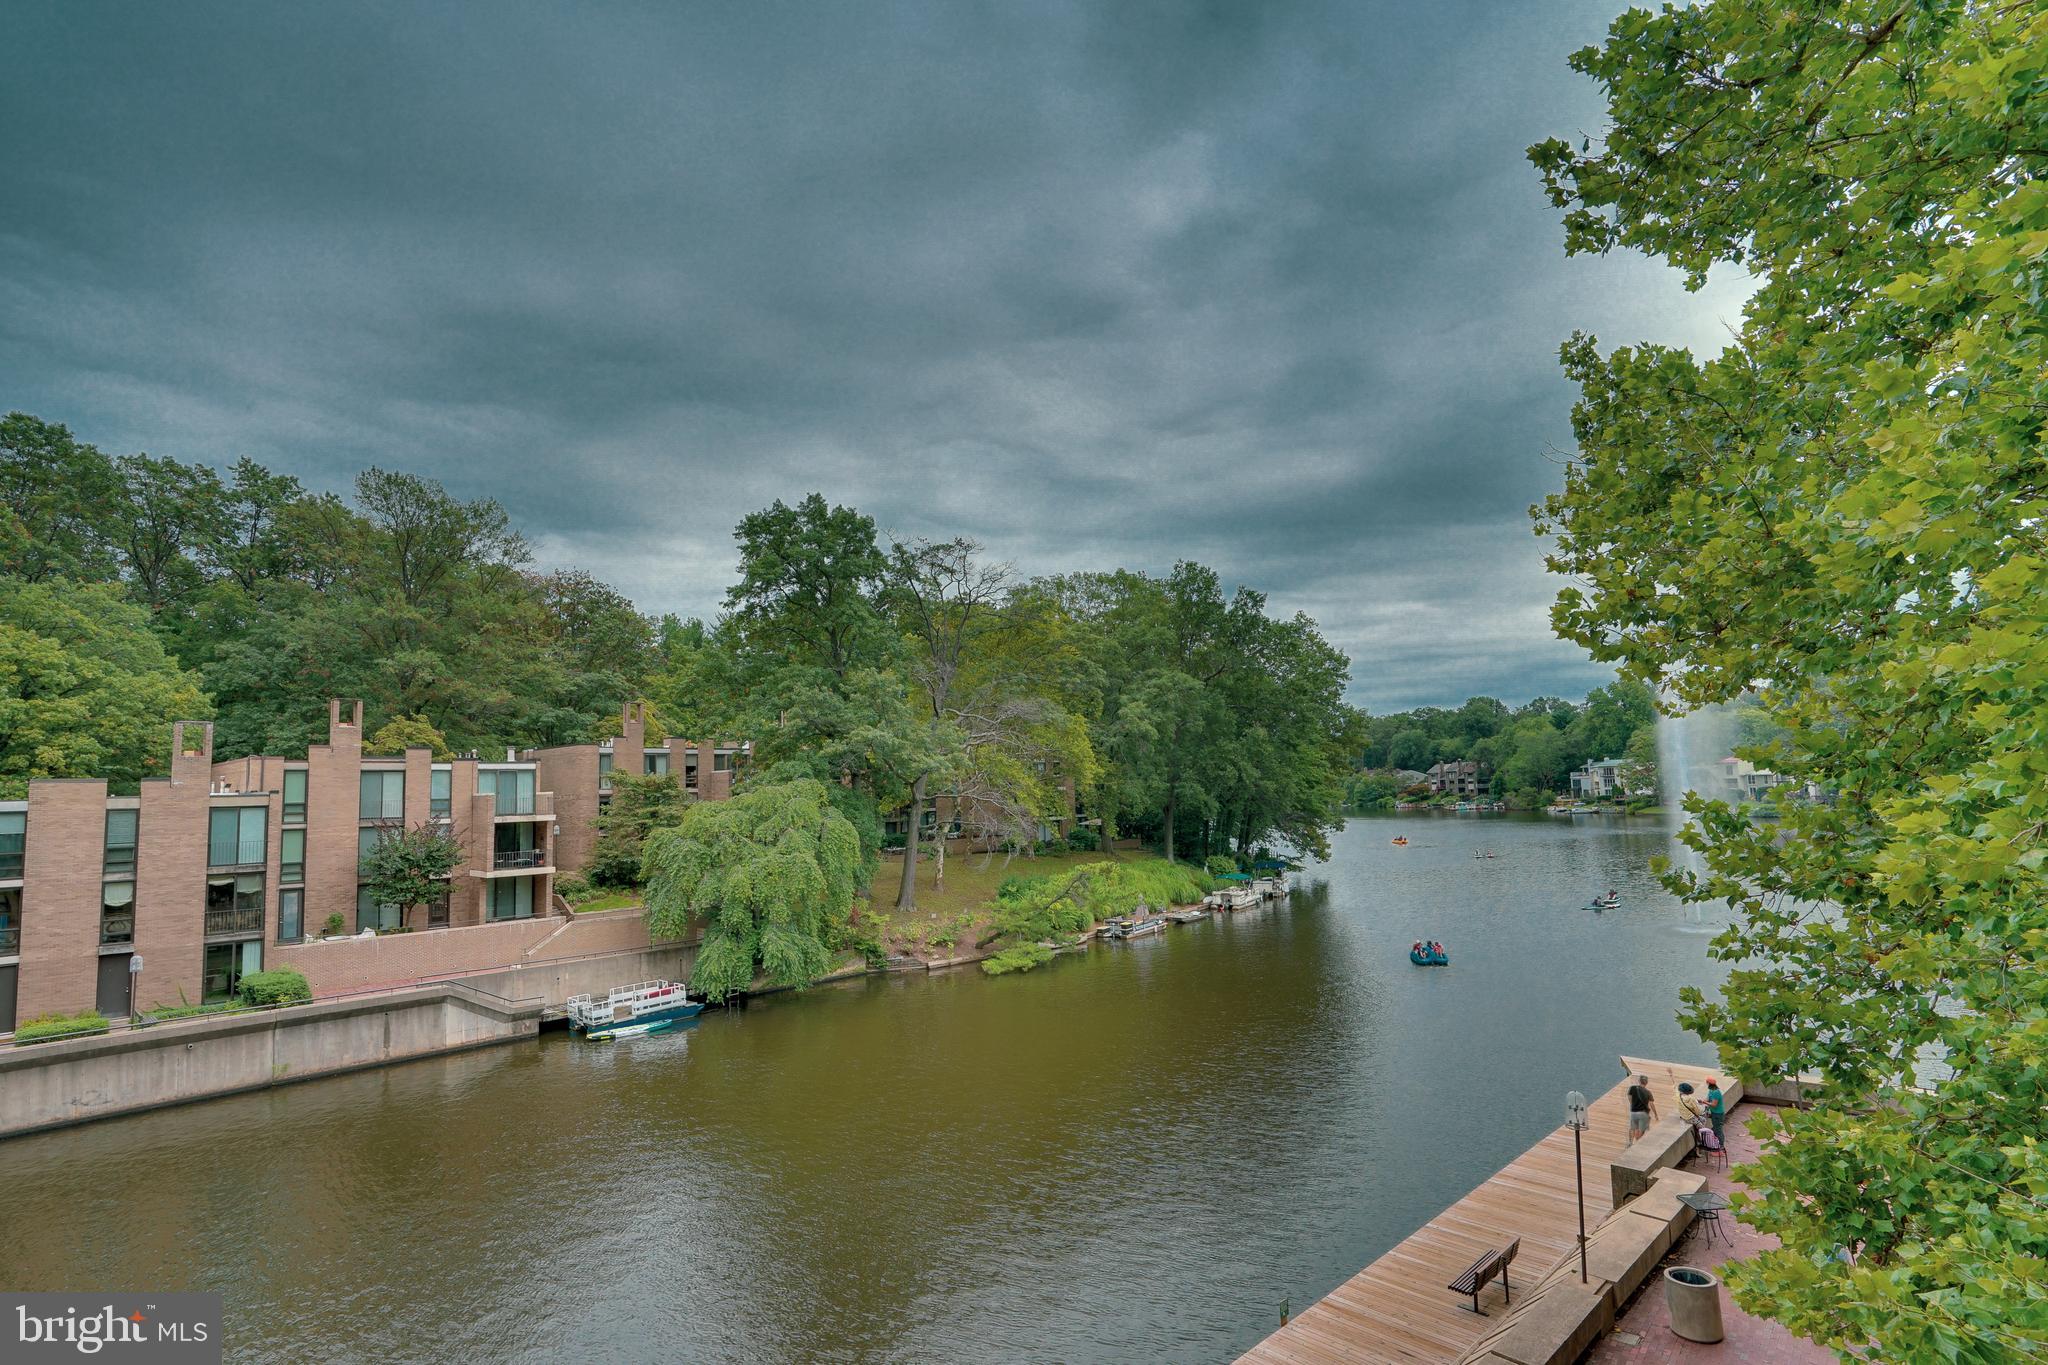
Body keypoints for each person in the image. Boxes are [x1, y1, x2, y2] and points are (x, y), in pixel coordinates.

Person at [1625, 1073, 1657, 1146]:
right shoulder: (1648, 1092)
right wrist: (1655, 1114)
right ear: (1646, 1083)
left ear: (1639, 1081)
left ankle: (1630, 1142)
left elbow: (1629, 1096)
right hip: (1644, 1113)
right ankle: (1638, 1143)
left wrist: (1632, 1104)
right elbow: (1651, 1104)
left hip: (1634, 1111)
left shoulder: (1632, 1088)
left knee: (1632, 1127)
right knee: (1641, 1129)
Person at [1705, 1079, 1726, 1148]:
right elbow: (1707, 1099)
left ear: (1709, 1083)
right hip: (1714, 1113)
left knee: (1718, 1130)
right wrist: (1702, 1101)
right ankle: (1716, 1144)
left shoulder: (1716, 1092)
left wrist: (1704, 1102)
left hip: (1718, 1114)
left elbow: (1714, 1104)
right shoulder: (1711, 1090)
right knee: (1715, 1129)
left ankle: (1721, 1146)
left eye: (1707, 1083)